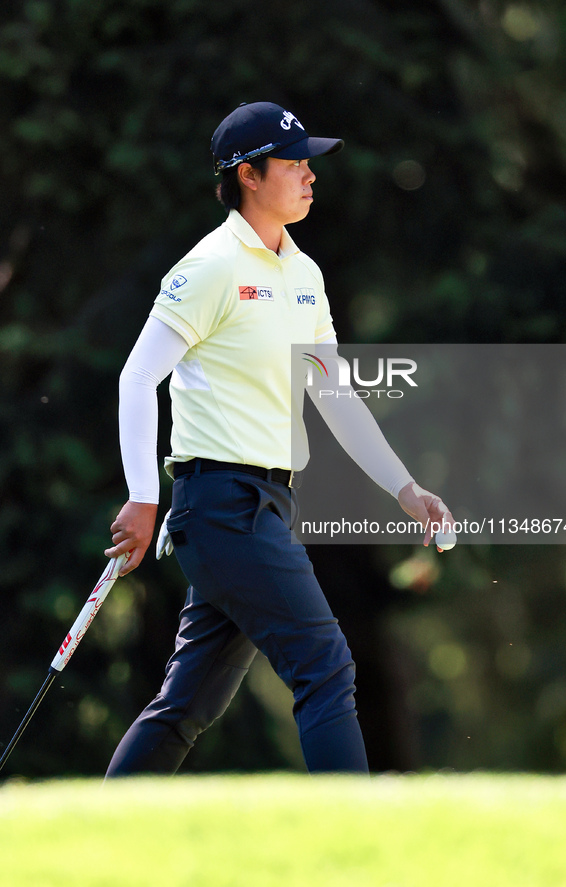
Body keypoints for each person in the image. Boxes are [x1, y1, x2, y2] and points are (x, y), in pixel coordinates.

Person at [104, 101, 453, 776]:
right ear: (248, 176)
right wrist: (142, 496)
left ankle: (92, 842)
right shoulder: (208, 267)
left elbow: (334, 394)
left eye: (308, 164)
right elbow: (136, 376)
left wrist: (404, 487)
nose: (309, 176)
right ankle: (352, 841)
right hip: (220, 505)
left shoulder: (304, 275)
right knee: (324, 663)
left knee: (187, 703)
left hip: (265, 507)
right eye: (293, 164)